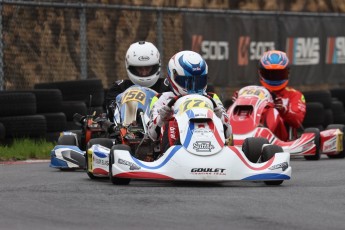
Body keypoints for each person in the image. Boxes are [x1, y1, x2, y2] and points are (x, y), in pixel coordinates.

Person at [147, 50, 232, 154]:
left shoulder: (212, 98)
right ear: (173, 77)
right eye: (187, 82)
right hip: (174, 151)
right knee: (170, 125)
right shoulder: (162, 98)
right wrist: (161, 119)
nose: (194, 87)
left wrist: (220, 117)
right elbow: (151, 135)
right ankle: (171, 154)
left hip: (212, 145)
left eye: (199, 81)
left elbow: (228, 133)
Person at [104, 41, 170, 121]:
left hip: (159, 129)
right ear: (130, 67)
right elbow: (111, 114)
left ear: (156, 66)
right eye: (140, 69)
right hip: (125, 130)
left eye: (148, 68)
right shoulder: (119, 88)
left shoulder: (167, 87)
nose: (144, 73)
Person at [250, 50, 306, 141]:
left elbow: (297, 121)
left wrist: (284, 111)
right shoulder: (255, 92)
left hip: (282, 138)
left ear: (287, 73)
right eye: (269, 74)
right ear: (261, 73)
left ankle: (261, 136)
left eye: (279, 74)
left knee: (273, 111)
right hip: (252, 131)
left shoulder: (294, 95)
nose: (274, 77)